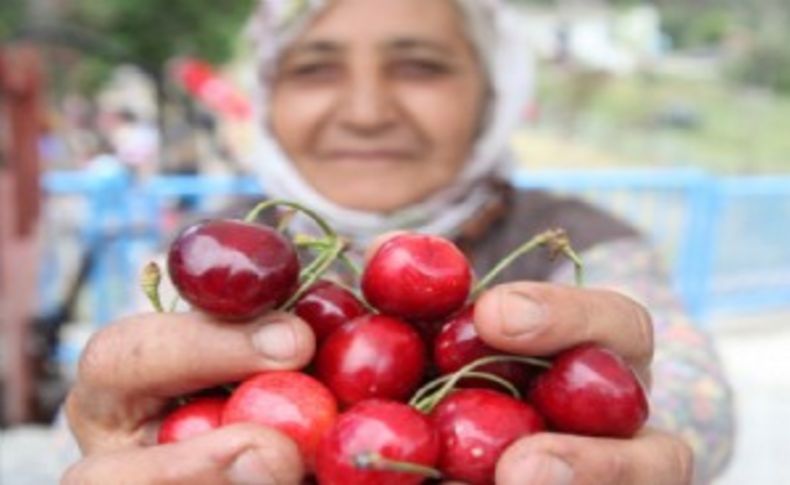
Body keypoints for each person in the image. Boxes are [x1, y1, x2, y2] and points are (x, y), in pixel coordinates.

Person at [61, 0, 734, 484]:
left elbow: (694, 401)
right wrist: (133, 429)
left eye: (419, 66)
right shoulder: (211, 249)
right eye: (315, 69)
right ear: (266, 95)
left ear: (493, 89)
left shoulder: (581, 241)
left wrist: (620, 448)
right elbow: (125, 377)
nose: (365, 110)